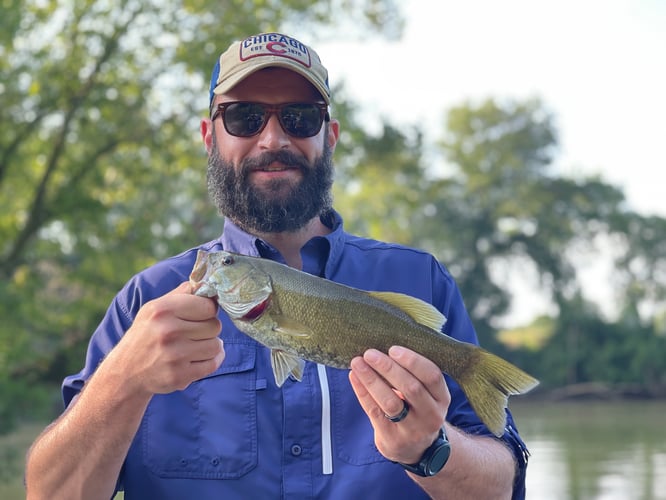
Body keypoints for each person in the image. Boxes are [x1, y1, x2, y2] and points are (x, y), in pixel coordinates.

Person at [25, 32, 530, 499]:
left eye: (299, 118)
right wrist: (122, 383)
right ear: (209, 136)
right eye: (245, 117)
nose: (272, 140)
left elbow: (500, 488)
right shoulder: (146, 300)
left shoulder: (420, 280)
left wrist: (432, 450)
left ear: (328, 136)